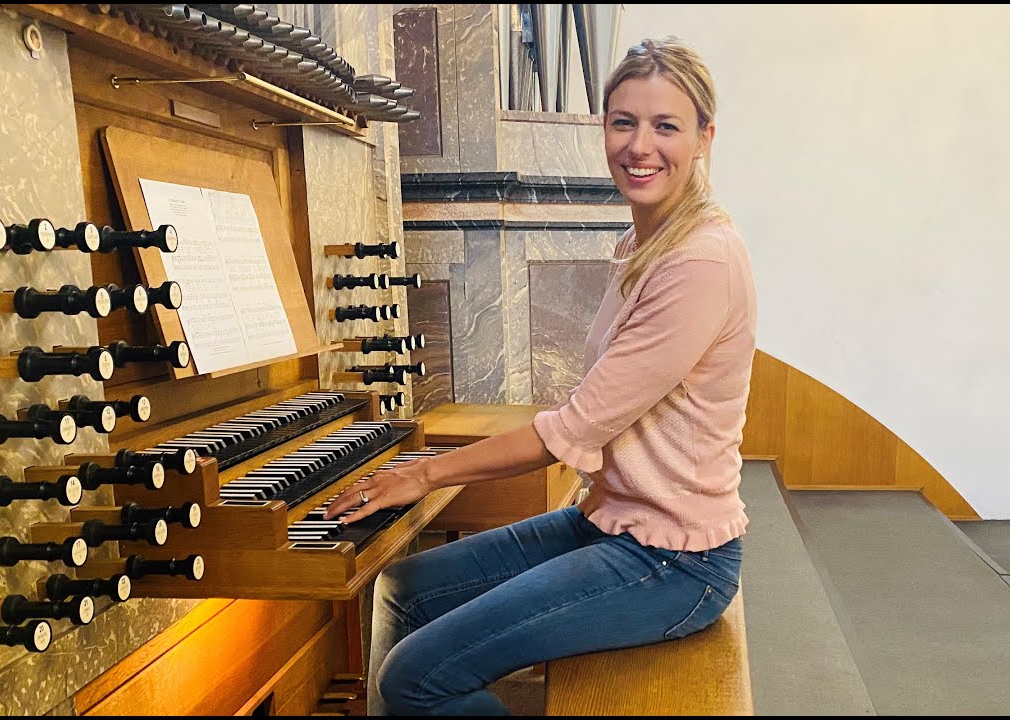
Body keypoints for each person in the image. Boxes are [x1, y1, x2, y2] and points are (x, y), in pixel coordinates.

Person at [323, 36, 757, 716]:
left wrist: (425, 472)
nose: (640, 146)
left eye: (665, 126)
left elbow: (575, 427)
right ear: (604, 128)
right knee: (401, 592)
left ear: (704, 137)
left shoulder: (700, 263)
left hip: (676, 563)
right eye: (624, 122)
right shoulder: (641, 244)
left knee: (413, 678)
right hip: (609, 523)